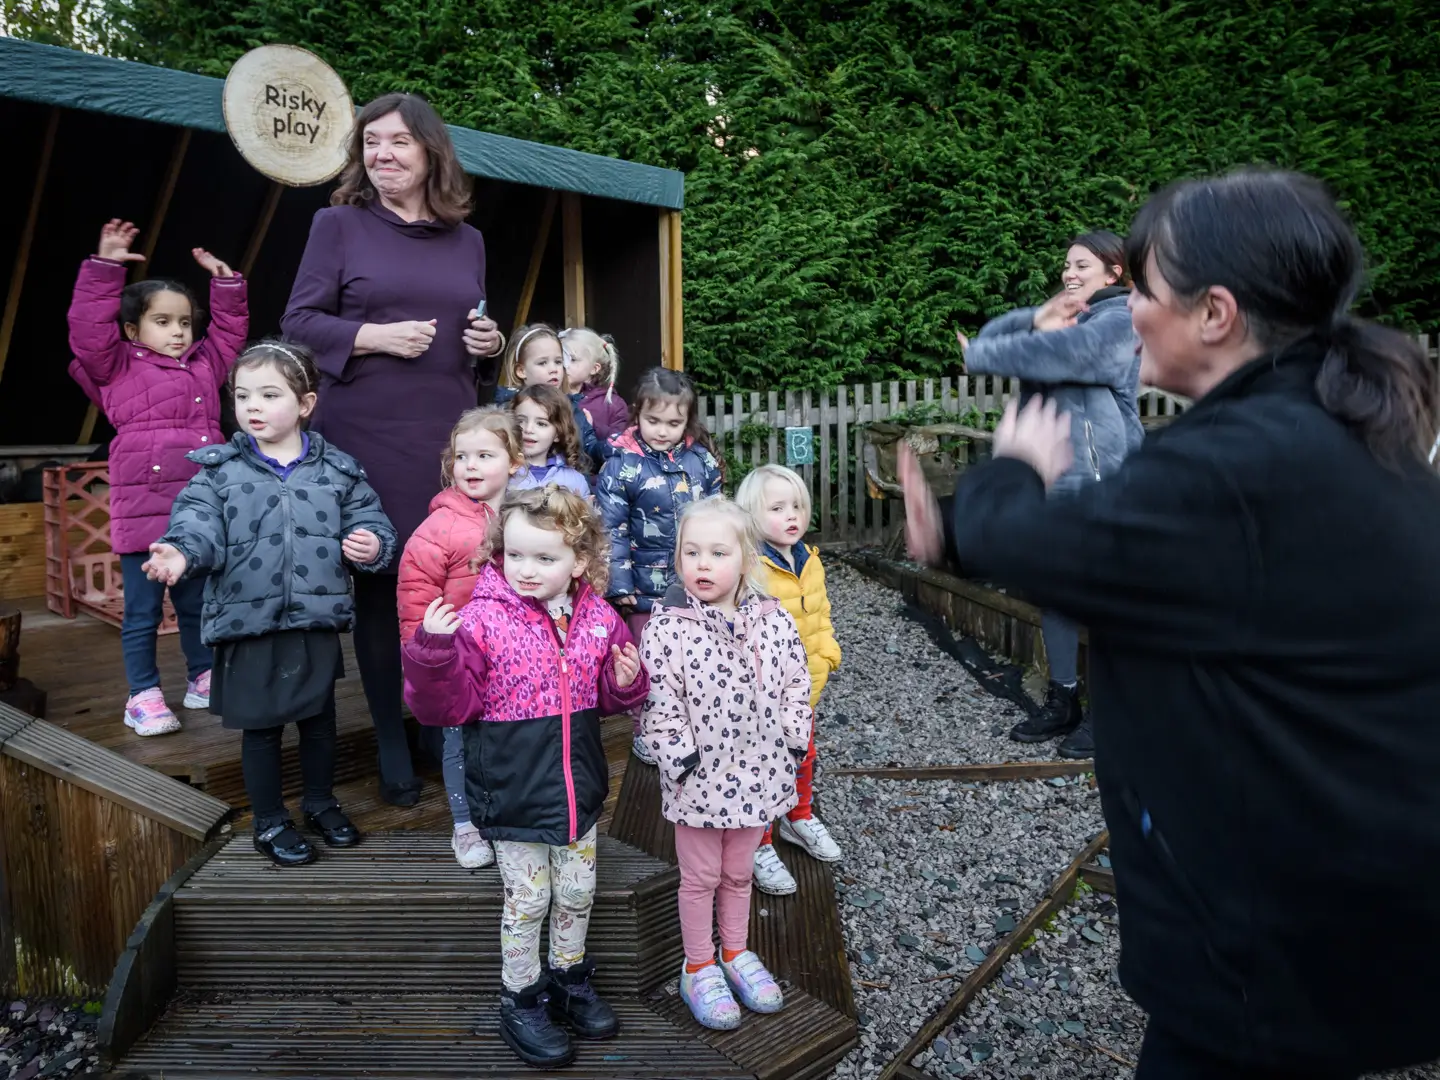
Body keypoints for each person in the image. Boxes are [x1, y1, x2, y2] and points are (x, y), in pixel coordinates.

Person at [900, 169, 1440, 1079]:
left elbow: (1068, 552)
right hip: (1342, 912)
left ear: (1215, 313)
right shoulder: (1344, 426)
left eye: (1144, 290)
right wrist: (962, 529)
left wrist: (1006, 476)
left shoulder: (1239, 462)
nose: (1130, 311)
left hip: (1271, 945)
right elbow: (1135, 562)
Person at [281, 91, 504, 806]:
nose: (383, 154)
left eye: (399, 141)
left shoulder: (467, 239)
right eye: (371, 142)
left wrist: (490, 345)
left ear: (431, 151)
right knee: (382, 590)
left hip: (447, 436)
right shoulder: (337, 225)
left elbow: (475, 338)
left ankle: (440, 724)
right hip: (366, 437)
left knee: (453, 584)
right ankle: (388, 738)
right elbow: (298, 322)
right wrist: (373, 336)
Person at [402, 486, 649, 1068]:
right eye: (515, 555)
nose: (527, 570)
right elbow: (446, 709)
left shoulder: (598, 618)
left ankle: (568, 978)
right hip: (512, 791)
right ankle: (521, 995)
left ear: (580, 562)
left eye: (545, 558)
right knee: (529, 899)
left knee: (578, 892)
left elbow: (611, 697)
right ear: (498, 552)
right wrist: (433, 654)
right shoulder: (481, 621)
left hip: (577, 791)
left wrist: (628, 680)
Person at [143, 342, 396, 867]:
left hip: (315, 618)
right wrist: (180, 552)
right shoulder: (219, 472)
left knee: (319, 722)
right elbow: (196, 524)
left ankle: (320, 803)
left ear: (305, 404)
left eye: (269, 394)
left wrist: (371, 542)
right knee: (261, 729)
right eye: (242, 395)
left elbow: (371, 520)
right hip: (248, 619)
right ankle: (269, 820)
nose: (252, 405)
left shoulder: (338, 471)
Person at [958, 230, 1142, 758]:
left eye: (1081, 265)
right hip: (1054, 475)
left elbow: (1074, 357)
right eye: (1066, 266)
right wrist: (1034, 322)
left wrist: (991, 353)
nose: (1069, 274)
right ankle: (1064, 698)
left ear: (1112, 272)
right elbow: (998, 332)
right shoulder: (1066, 316)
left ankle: (1112, 715)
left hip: (1105, 476)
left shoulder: (1118, 317)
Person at [67, 218, 248, 736]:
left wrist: (227, 285)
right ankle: (142, 694)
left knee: (196, 602)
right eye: (163, 322)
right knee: (143, 611)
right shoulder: (115, 365)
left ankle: (200, 676)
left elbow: (231, 335)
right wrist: (103, 269)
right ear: (131, 330)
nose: (178, 332)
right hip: (142, 511)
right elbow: (87, 330)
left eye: (185, 323)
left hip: (198, 511)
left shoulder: (205, 365)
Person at [639, 497, 812, 1030]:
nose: (702, 564)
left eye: (717, 552)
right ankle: (698, 966)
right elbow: (659, 707)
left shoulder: (773, 618)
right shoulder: (666, 627)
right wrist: (682, 762)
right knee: (700, 877)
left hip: (760, 773)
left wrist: (791, 740)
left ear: (745, 559)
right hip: (699, 780)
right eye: (691, 552)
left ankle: (735, 953)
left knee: (738, 873)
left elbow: (794, 684)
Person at [396, 407, 523, 868]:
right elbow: (414, 593)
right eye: (461, 456)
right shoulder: (440, 527)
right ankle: (465, 825)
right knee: (459, 741)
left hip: (512, 657)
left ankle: (506, 818)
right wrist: (424, 651)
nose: (470, 465)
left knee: (507, 738)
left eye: (484, 455)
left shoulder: (525, 515)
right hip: (459, 657)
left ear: (514, 462)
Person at [596, 368, 724, 759]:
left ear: (688, 421)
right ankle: (645, 730)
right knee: (647, 662)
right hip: (644, 591)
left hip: (695, 584)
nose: (662, 430)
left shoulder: (702, 462)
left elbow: (720, 523)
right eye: (653, 420)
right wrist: (620, 586)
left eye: (673, 422)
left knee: (696, 657)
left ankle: (694, 723)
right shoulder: (621, 466)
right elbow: (610, 530)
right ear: (637, 414)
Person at [735, 464, 843, 895]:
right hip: (767, 696)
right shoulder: (751, 569)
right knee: (764, 767)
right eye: (777, 508)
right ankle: (758, 842)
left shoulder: (809, 560)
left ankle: (798, 817)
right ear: (752, 515)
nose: (791, 515)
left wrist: (829, 652)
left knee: (804, 756)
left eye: (796, 505)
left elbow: (821, 613)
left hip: (808, 687)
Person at [494, 323, 607, 465]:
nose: (553, 369)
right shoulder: (506, 411)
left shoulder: (572, 409)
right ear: (521, 371)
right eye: (542, 363)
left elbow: (590, 451)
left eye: (558, 362)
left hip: (566, 485)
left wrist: (609, 448)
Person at [507, 384, 592, 498]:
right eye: (520, 421)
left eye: (541, 424)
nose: (528, 429)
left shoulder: (574, 481)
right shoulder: (502, 470)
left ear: (558, 434)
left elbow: (583, 515)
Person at [560, 327, 630, 444]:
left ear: (594, 368)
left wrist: (591, 428)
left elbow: (622, 445)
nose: (565, 365)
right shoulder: (548, 396)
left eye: (572, 359)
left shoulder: (613, 405)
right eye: (560, 359)